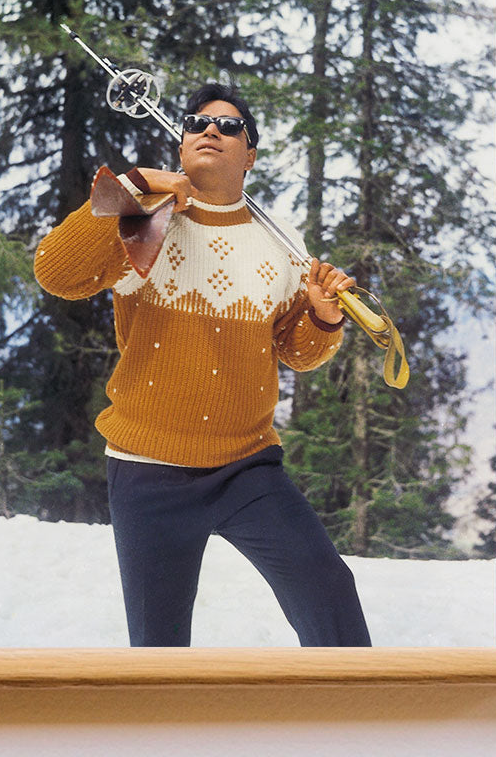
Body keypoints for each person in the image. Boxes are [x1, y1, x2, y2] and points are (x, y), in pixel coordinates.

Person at [34, 83, 371, 647]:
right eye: (196, 122)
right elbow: (56, 273)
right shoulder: (143, 218)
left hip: (246, 469)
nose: (210, 130)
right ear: (181, 140)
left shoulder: (281, 242)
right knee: (159, 647)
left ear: (251, 156)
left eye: (230, 125)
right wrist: (134, 185)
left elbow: (297, 352)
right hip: (147, 470)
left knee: (328, 591)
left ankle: (363, 720)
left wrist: (323, 316)